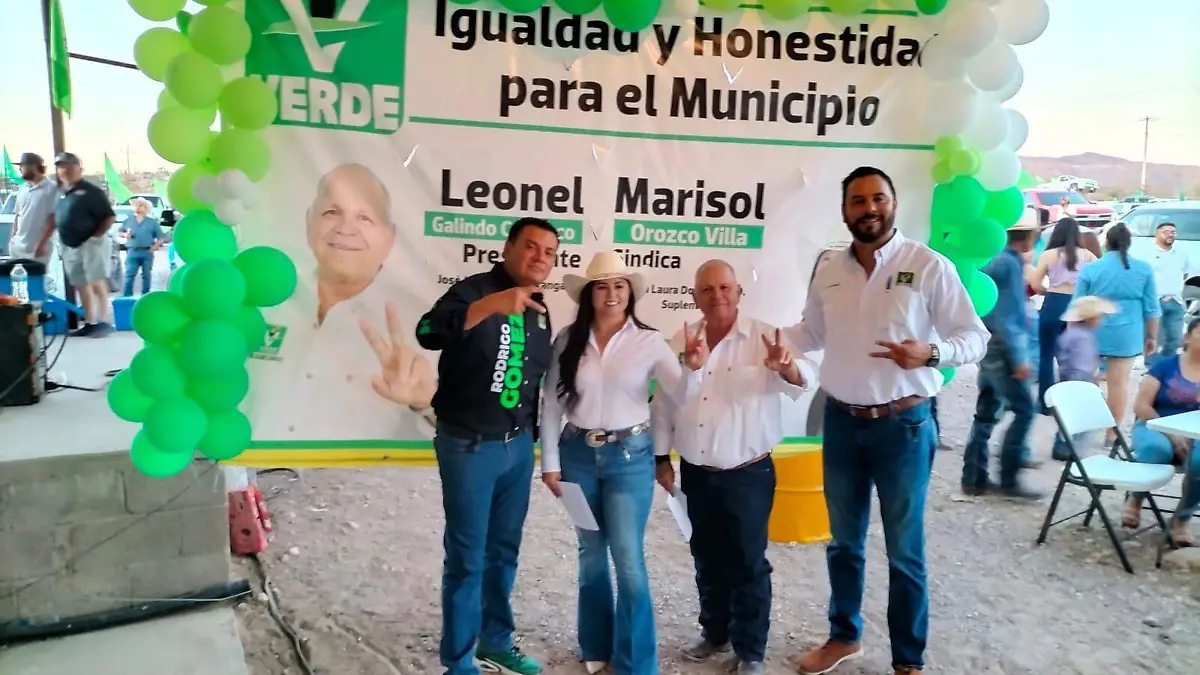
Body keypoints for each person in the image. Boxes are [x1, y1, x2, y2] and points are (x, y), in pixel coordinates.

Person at [786, 167, 989, 675]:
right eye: (858, 200)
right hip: (841, 422)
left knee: (904, 549)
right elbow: (810, 332)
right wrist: (762, 342)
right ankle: (844, 636)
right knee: (843, 542)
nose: (869, 208)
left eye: (877, 198)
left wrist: (931, 353)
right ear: (845, 210)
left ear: (894, 203)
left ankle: (908, 661)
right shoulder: (829, 267)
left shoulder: (927, 265)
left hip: (903, 427)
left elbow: (975, 337)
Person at [415, 217, 560, 675]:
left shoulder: (541, 309)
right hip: (469, 446)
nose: (540, 258)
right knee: (467, 557)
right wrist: (490, 306)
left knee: (503, 552)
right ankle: (459, 663)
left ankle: (495, 641)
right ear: (508, 248)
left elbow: (534, 380)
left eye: (549, 253)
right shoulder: (472, 291)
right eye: (531, 246)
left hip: (517, 450)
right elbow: (427, 332)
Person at [652, 260, 811, 675]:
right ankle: (714, 631)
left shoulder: (765, 337)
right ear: (694, 296)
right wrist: (660, 458)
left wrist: (787, 367)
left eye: (724, 287)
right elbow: (664, 405)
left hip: (748, 474)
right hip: (696, 473)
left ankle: (751, 649)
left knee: (747, 562)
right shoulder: (680, 340)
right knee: (705, 556)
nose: (716, 295)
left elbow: (803, 381)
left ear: (739, 292)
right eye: (707, 289)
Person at [539, 251, 683, 675]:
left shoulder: (649, 341)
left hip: (630, 458)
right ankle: (595, 646)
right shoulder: (568, 339)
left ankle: (637, 662)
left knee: (628, 557)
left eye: (619, 286)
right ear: (589, 294)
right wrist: (550, 462)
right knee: (590, 552)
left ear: (630, 293)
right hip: (576, 456)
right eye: (602, 286)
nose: (611, 294)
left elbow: (681, 395)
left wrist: (692, 367)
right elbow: (552, 403)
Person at [246, 163, 437, 441]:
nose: (346, 229)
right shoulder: (263, 299)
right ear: (309, 222)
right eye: (332, 213)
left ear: (389, 237)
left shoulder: (425, 324)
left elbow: (469, 434)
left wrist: (427, 403)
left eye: (365, 218)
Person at [961, 221, 1042, 499]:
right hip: (1002, 347)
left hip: (987, 343)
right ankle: (1009, 479)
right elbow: (1009, 315)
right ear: (1028, 238)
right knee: (1024, 410)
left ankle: (974, 478)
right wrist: (1019, 358)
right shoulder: (1009, 263)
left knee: (986, 413)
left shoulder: (991, 260)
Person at [1074, 223, 1160, 445]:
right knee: (1119, 385)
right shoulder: (1143, 269)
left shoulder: (1091, 268)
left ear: (1106, 242)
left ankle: (1083, 429)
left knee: (1087, 382)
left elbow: (1077, 305)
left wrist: (1073, 333)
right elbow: (1152, 309)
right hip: (1127, 333)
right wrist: (1152, 336)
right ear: (1129, 244)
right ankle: (1112, 435)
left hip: (1093, 330)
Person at [1124, 317, 1200, 546]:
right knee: (1156, 450)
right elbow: (1141, 406)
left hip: (1195, 433)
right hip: (1154, 424)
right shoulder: (1165, 366)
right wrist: (1172, 433)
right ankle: (1135, 499)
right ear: (1187, 337)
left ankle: (1181, 520)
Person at [1028, 218, 1097, 414]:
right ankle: (1072, 401)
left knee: (1046, 355)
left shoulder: (1048, 255)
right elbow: (1097, 279)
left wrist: (1046, 291)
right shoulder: (1088, 255)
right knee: (1075, 357)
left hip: (1053, 303)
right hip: (1077, 306)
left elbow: (1036, 284)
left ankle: (1046, 403)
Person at [53, 153, 115, 337]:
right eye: (61, 167)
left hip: (90, 244)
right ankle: (90, 322)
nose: (64, 170)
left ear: (79, 168)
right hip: (70, 246)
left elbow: (109, 216)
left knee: (96, 281)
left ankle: (103, 322)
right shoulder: (62, 193)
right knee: (81, 284)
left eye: (69, 166)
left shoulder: (91, 192)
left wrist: (95, 237)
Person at [1050, 296, 1116, 461]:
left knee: (1067, 417)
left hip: (1067, 378)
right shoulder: (1083, 338)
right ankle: (1073, 451)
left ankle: (1061, 446)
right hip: (1080, 381)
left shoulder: (1070, 334)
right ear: (1090, 318)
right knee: (1083, 420)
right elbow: (1082, 366)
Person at [1144, 222, 1192, 367]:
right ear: (1157, 234)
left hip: (1176, 301)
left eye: (1173, 232)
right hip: (1155, 302)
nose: (1170, 235)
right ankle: (1152, 368)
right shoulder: (1147, 254)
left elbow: (1184, 274)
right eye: (1166, 232)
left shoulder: (1181, 254)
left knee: (1175, 338)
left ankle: (1167, 367)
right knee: (1153, 338)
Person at [8, 153, 57, 266]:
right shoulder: (23, 189)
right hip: (17, 249)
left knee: (37, 277)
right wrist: (13, 239)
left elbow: (53, 219)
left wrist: (41, 245)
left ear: (33, 167)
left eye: (22, 166)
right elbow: (17, 215)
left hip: (38, 251)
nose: (20, 169)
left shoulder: (52, 188)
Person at [120, 197, 164, 296]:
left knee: (146, 276)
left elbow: (160, 237)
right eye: (136, 205)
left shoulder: (152, 222)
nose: (138, 207)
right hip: (132, 251)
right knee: (129, 275)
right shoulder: (128, 221)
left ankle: (145, 296)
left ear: (146, 208)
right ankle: (127, 297)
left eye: (141, 205)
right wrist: (125, 235)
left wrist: (153, 248)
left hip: (146, 252)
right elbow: (120, 231)